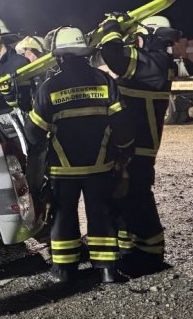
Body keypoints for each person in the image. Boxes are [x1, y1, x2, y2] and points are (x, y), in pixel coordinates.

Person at [24, 26, 133, 284]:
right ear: (84, 54)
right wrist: (124, 152)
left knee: (63, 217)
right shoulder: (105, 81)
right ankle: (106, 269)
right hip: (101, 165)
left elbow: (33, 133)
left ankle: (64, 270)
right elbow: (122, 124)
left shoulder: (49, 87)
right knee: (101, 214)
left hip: (63, 169)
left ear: (59, 56)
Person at [97, 14, 181, 276]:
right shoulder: (156, 61)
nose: (136, 42)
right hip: (132, 145)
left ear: (149, 36)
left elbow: (113, 55)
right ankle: (130, 251)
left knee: (139, 200)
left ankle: (150, 257)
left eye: (138, 37)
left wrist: (112, 28)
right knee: (124, 197)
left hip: (139, 148)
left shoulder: (153, 63)